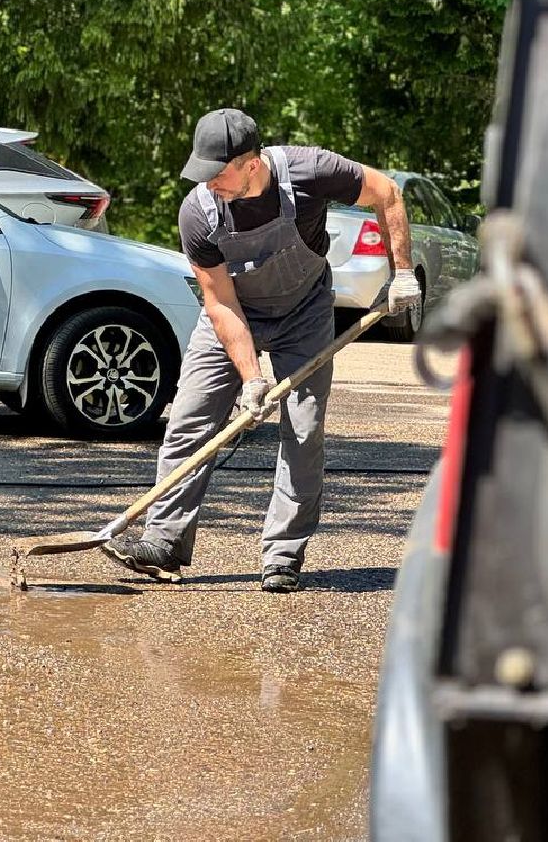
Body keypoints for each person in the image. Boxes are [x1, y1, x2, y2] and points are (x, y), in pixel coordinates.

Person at [102, 108, 420, 592]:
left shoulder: (311, 171)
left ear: (251, 163)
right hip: (234, 315)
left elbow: (387, 192)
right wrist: (251, 378)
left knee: (303, 428)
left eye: (219, 173)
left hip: (305, 313)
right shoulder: (198, 212)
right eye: (202, 173)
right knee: (191, 417)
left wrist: (400, 272)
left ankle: (284, 555)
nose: (210, 184)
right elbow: (220, 301)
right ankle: (163, 542)